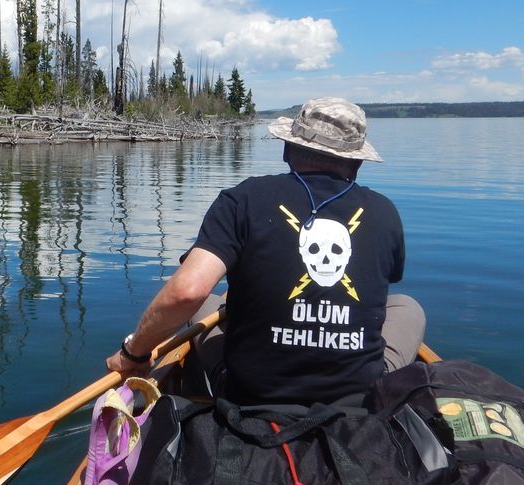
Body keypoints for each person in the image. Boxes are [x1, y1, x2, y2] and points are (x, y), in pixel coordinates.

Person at [105, 97, 424, 405]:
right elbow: (381, 287)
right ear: (356, 163)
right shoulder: (385, 212)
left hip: (250, 398)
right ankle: (380, 390)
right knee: (406, 306)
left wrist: (135, 352)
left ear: (289, 149)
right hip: (358, 399)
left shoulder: (243, 199)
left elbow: (187, 292)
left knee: (211, 303)